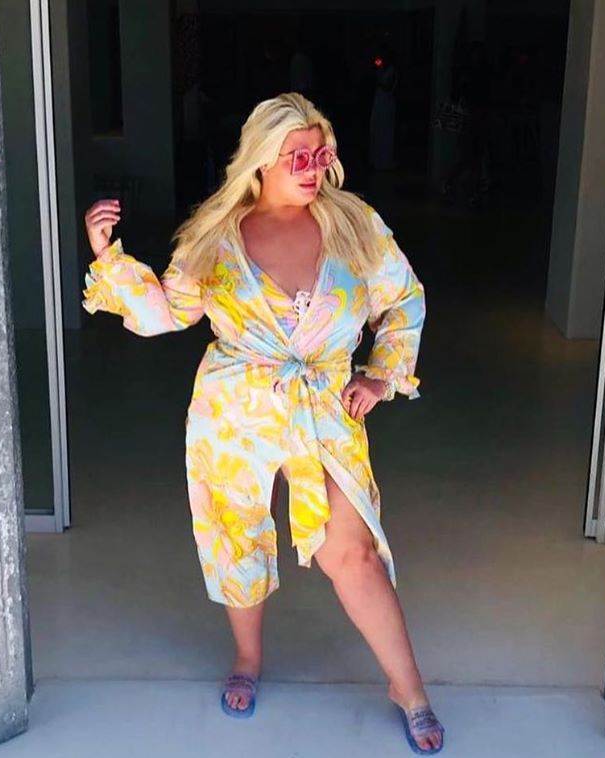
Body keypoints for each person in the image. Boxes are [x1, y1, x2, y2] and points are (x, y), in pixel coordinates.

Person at [81, 92, 444, 754]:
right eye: (296, 157)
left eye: (320, 155)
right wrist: (107, 257)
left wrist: (380, 373)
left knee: (352, 551)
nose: (312, 169)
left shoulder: (354, 224)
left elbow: (404, 300)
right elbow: (167, 313)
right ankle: (247, 658)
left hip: (324, 406)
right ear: (260, 160)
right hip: (234, 408)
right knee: (236, 534)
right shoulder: (216, 237)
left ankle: (409, 688)